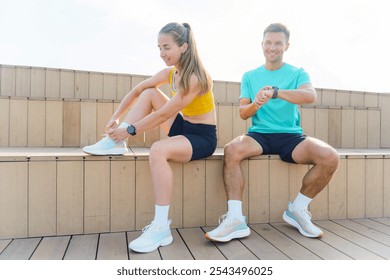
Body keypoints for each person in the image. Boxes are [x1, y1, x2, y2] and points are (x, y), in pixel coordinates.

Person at [83, 22, 217, 253]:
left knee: (158, 150)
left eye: (167, 47)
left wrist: (131, 129)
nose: (162, 53)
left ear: (184, 47)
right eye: (159, 48)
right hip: (183, 127)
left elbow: (164, 114)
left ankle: (161, 227)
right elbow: (137, 91)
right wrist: (116, 119)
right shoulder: (171, 73)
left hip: (202, 138)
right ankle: (115, 143)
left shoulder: (196, 77)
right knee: (149, 92)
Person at [205, 23, 339, 242]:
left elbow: (310, 96)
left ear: (287, 45)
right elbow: (243, 113)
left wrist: (276, 93)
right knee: (232, 149)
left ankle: (298, 209)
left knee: (330, 157)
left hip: (291, 137)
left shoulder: (297, 73)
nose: (272, 47)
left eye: (278, 43)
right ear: (262, 44)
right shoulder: (249, 75)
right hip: (260, 135)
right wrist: (256, 104)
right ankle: (235, 219)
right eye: (268, 42)